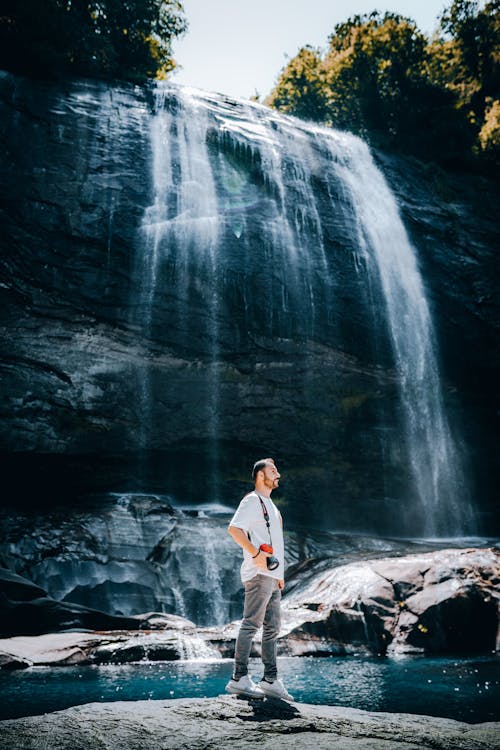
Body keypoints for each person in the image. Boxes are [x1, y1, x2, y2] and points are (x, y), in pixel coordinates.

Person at [225, 457, 294, 702]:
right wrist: (255, 554)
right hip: (258, 574)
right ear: (260, 476)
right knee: (251, 624)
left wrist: (280, 575)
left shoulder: (273, 508)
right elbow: (234, 529)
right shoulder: (252, 500)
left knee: (272, 629)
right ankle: (238, 678)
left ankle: (270, 680)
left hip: (273, 577)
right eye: (273, 471)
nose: (278, 475)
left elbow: (277, 544)